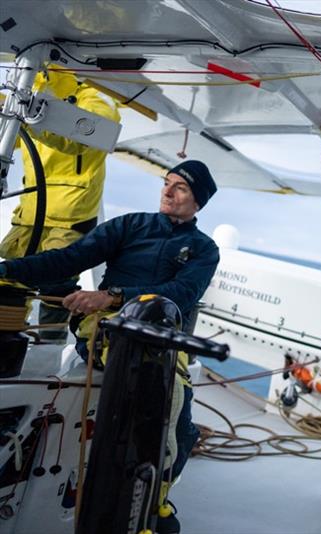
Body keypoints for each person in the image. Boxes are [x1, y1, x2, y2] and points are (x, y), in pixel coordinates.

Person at [0, 160, 219, 534]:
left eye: (180, 187)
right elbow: (69, 259)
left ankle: (155, 501)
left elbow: (181, 295)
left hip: (161, 338)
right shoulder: (131, 225)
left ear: (197, 201)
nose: (168, 191)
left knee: (180, 432)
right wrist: (8, 270)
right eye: (167, 183)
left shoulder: (203, 249)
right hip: (107, 333)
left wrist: (111, 296)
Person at [0, 67, 121, 342]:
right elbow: (9, 138)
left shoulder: (98, 100)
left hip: (70, 217)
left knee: (55, 289)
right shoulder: (32, 96)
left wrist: (30, 115)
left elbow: (81, 139)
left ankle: (49, 352)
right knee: (9, 284)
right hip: (31, 213)